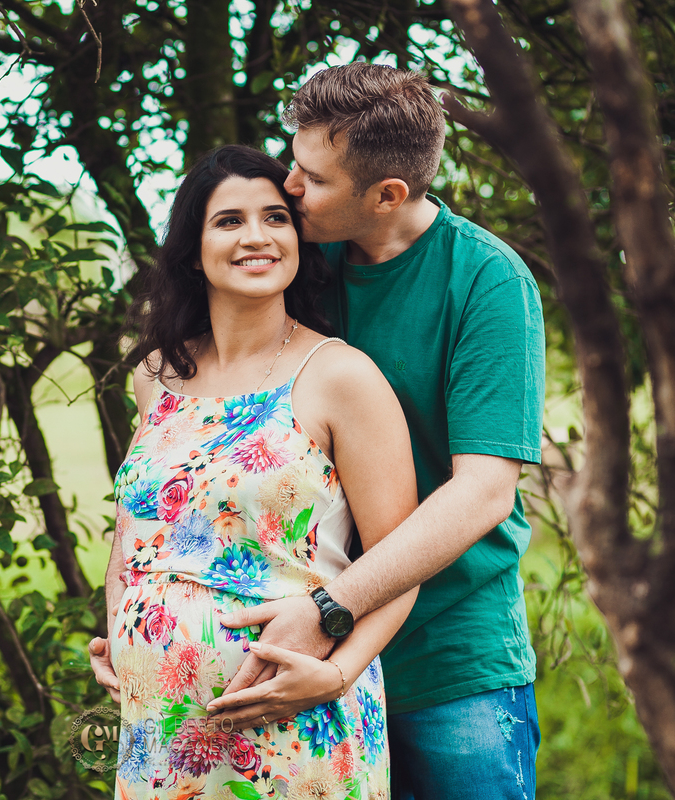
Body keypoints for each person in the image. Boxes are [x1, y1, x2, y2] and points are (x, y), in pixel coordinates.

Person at [209, 64, 547, 799]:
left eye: (312, 179)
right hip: (293, 657)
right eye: (292, 165)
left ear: (387, 194)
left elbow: (484, 493)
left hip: (449, 664)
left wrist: (331, 610)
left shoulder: (487, 282)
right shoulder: (297, 259)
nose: (289, 190)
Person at [90, 144, 418, 798]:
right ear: (192, 248)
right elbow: (135, 531)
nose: (257, 237)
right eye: (230, 221)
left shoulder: (339, 376)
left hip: (294, 720)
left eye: (275, 218)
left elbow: (399, 565)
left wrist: (339, 672)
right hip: (161, 728)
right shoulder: (156, 375)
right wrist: (121, 631)